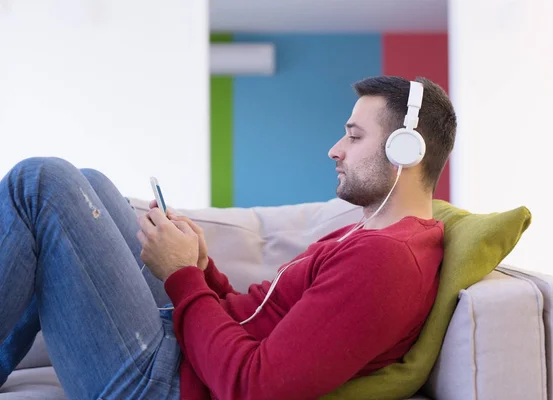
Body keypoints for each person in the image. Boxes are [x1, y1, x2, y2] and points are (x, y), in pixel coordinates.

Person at [0, 75, 457, 400]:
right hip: (189, 357)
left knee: (41, 183)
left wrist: (182, 277)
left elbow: (253, 386)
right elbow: (258, 318)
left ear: (405, 152)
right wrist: (203, 270)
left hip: (166, 385)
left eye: (355, 138)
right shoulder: (367, 236)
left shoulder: (387, 263)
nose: (335, 150)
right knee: (91, 182)